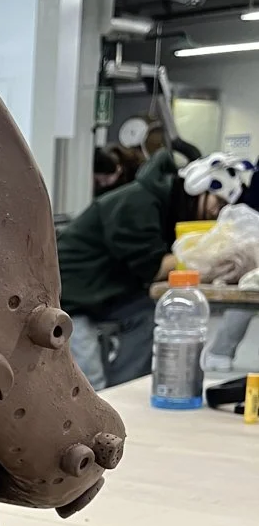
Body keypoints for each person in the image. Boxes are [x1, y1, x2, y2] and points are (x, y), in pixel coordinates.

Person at [58, 147, 226, 390]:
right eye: (218, 201)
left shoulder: (165, 205)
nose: (216, 211)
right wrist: (205, 252)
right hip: (71, 295)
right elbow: (152, 268)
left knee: (150, 312)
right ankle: (109, 397)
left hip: (103, 292)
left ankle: (123, 391)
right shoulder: (139, 203)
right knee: (89, 383)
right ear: (197, 187)